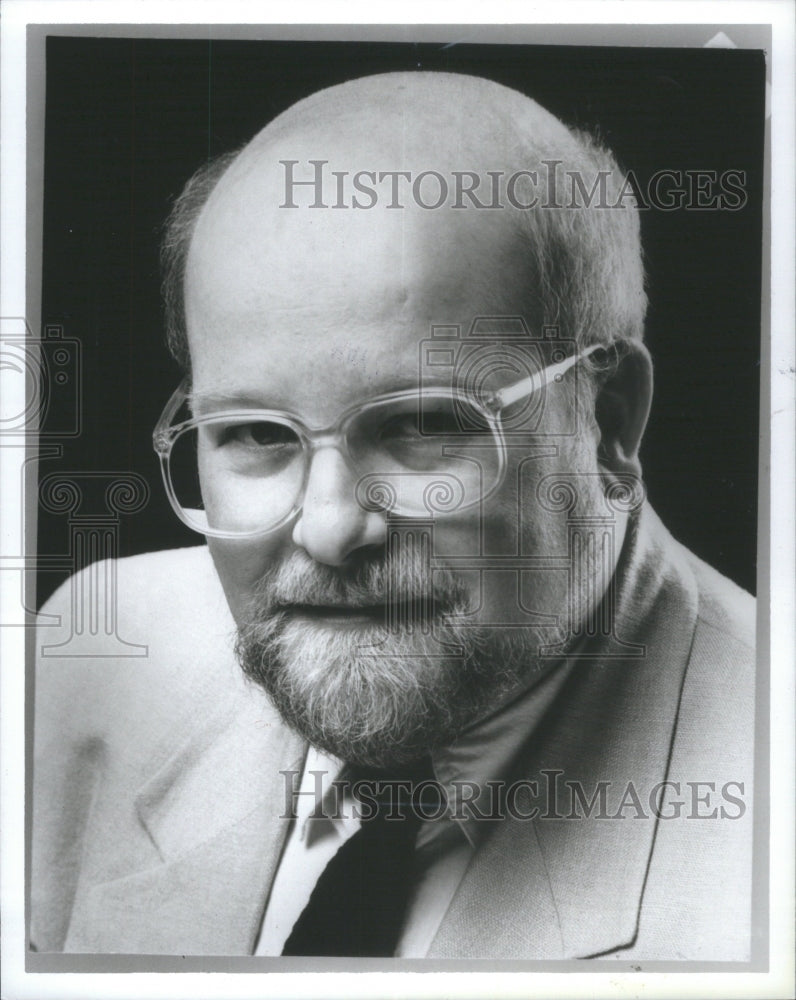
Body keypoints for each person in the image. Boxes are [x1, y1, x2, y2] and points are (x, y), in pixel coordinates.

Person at [31, 71, 755, 960]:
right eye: (256, 432)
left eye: (423, 425)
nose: (330, 530)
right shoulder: (87, 662)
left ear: (609, 422)